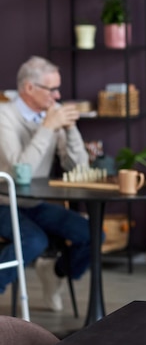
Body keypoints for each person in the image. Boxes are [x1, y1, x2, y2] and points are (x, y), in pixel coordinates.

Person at [0, 56, 91, 312]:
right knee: (34, 241)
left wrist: (71, 130)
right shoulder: (4, 116)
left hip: (35, 203)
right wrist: (48, 127)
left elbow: (80, 169)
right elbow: (21, 172)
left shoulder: (50, 115)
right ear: (29, 88)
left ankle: (55, 273)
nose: (58, 95)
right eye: (52, 89)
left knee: (91, 234)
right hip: (4, 202)